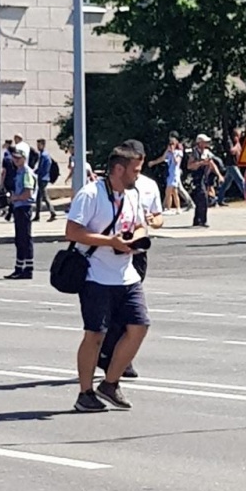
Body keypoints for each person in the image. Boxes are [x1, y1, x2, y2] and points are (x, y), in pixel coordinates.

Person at [65, 142, 151, 412]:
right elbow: (72, 231)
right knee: (95, 335)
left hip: (126, 274)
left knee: (140, 326)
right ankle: (85, 393)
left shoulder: (133, 194)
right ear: (118, 169)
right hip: (95, 275)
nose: (138, 175)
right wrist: (108, 241)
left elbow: (140, 224)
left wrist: (135, 238)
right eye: (135, 170)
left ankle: (110, 384)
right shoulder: (91, 194)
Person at [98, 139, 163, 380]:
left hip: (138, 251)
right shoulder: (109, 186)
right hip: (109, 254)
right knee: (117, 311)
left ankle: (121, 360)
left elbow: (157, 217)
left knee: (133, 314)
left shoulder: (147, 185)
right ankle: (111, 357)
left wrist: (150, 222)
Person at [4, 144, 37, 280]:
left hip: (24, 207)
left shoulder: (26, 173)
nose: (15, 160)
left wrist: (14, 198)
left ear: (24, 158)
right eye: (14, 158)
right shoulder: (19, 172)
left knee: (24, 239)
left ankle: (27, 269)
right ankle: (19, 268)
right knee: (20, 239)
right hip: (19, 208)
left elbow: (27, 193)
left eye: (18, 158)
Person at [187, 134, 218, 228]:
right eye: (205, 141)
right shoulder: (194, 152)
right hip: (197, 178)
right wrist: (201, 163)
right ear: (199, 142)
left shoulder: (207, 152)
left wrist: (219, 175)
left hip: (204, 177)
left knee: (201, 199)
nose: (207, 143)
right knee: (202, 197)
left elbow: (212, 164)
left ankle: (199, 220)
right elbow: (189, 166)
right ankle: (201, 220)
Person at [147, 136, 183, 215]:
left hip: (174, 174)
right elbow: (162, 158)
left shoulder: (178, 152)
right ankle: (178, 208)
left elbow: (177, 162)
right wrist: (153, 163)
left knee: (168, 191)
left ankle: (168, 208)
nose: (171, 145)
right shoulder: (168, 152)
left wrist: (173, 152)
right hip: (170, 173)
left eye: (173, 144)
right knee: (174, 192)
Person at [217, 128, 246, 206]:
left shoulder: (238, 143)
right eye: (239, 134)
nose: (240, 136)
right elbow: (232, 151)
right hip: (231, 165)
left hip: (235, 164)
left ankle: (219, 199)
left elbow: (239, 154)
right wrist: (236, 143)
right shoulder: (230, 142)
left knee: (226, 184)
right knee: (241, 180)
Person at [33, 139, 57, 222]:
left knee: (44, 197)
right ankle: (37, 215)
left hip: (42, 178)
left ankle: (52, 212)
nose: (38, 147)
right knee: (39, 197)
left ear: (43, 145)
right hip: (44, 177)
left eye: (39, 145)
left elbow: (41, 167)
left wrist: (34, 171)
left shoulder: (43, 155)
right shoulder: (46, 155)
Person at [0, 143, 17, 220]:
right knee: (14, 196)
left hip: (8, 180)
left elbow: (4, 172)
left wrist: (1, 183)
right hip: (16, 180)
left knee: (9, 197)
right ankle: (11, 212)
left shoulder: (6, 159)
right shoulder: (16, 158)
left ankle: (10, 212)